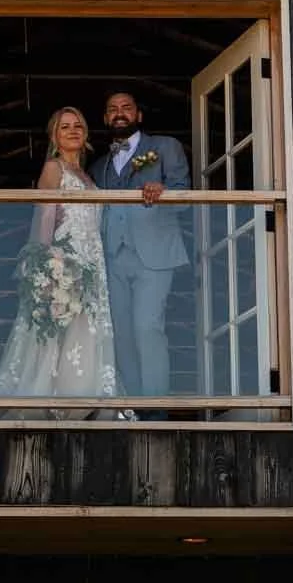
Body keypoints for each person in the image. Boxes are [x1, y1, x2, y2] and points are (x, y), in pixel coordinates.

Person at [0, 107, 127, 420]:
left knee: (85, 328)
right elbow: (45, 216)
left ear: (86, 133)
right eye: (65, 127)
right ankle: (51, 402)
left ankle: (82, 397)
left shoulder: (88, 176)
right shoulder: (54, 168)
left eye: (78, 125)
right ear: (54, 136)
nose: (73, 130)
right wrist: (46, 262)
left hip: (93, 262)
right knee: (58, 328)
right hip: (66, 257)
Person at [91, 90, 191, 413]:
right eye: (112, 109)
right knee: (120, 335)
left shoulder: (165, 147)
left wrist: (164, 190)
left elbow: (184, 194)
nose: (120, 113)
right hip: (111, 257)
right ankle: (133, 408)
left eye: (126, 107)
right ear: (106, 118)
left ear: (139, 115)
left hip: (154, 253)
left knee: (148, 327)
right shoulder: (98, 166)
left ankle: (156, 409)